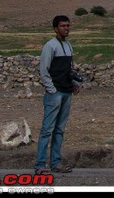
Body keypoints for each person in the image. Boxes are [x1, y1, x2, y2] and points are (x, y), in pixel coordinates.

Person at [34, 15, 81, 175]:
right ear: (55, 28)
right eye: (63, 26)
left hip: (67, 91)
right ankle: (40, 164)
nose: (66, 29)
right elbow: (44, 69)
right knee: (47, 129)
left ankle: (56, 162)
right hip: (55, 92)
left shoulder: (68, 46)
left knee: (59, 129)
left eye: (68, 26)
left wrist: (73, 84)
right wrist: (52, 89)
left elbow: (68, 69)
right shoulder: (50, 46)